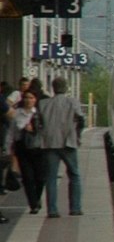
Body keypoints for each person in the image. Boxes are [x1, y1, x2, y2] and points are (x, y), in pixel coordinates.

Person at [34, 77, 84, 217]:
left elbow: (37, 123)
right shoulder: (73, 102)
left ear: (53, 88)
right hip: (68, 142)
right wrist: (78, 135)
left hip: (49, 143)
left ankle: (52, 210)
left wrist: (42, 134)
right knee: (74, 174)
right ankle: (75, 208)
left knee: (51, 177)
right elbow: (81, 120)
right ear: (66, 88)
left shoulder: (43, 103)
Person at [8, 89, 43, 214]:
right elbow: (11, 132)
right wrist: (8, 148)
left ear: (35, 100)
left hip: (38, 149)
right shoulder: (17, 114)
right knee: (28, 178)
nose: (29, 100)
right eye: (26, 97)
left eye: (31, 98)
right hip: (22, 149)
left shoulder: (39, 114)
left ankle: (37, 198)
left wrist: (34, 129)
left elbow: (45, 131)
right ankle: (33, 204)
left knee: (40, 178)